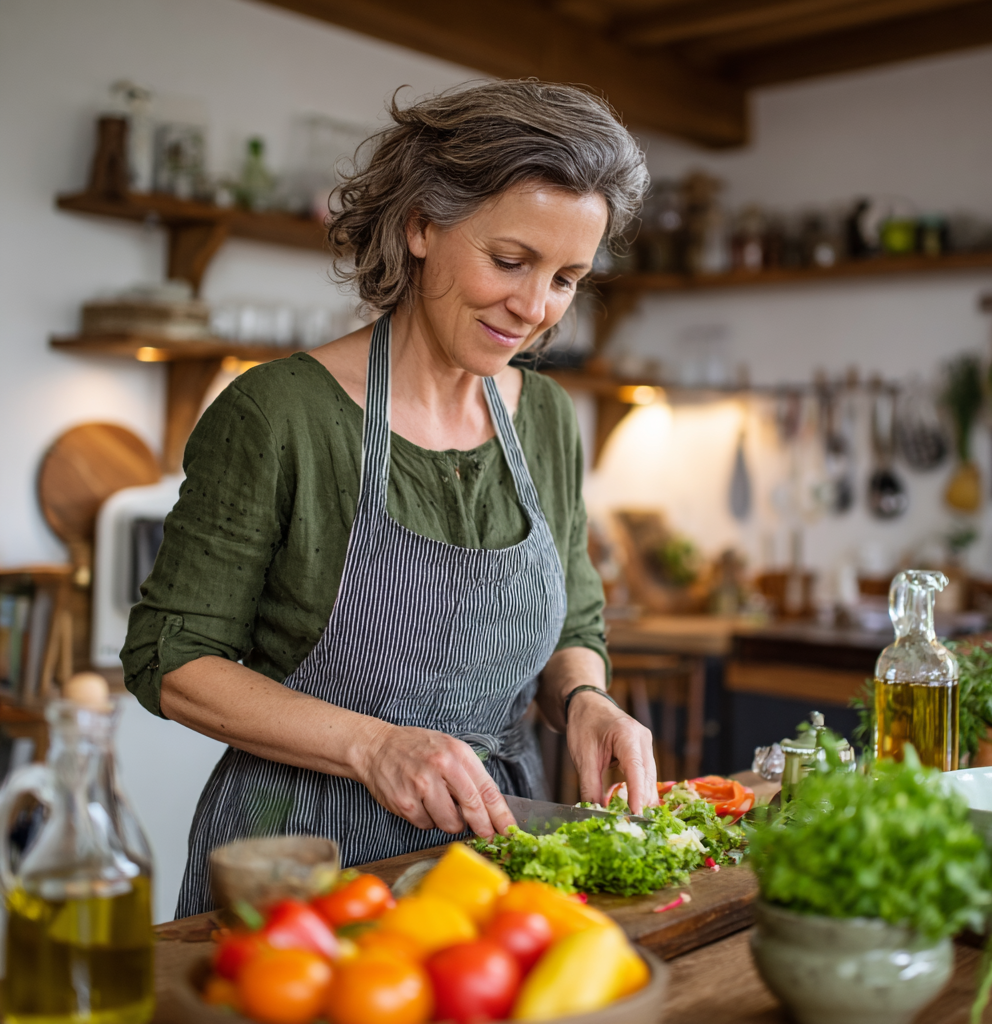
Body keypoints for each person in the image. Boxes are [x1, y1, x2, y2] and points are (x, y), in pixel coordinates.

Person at [121, 79, 656, 918]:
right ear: (419, 226)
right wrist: (373, 747)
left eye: (567, 277)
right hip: (301, 865)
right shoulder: (279, 414)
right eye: (510, 261)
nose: (535, 308)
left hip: (498, 853)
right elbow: (173, 661)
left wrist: (585, 701)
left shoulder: (546, 417)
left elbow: (576, 623)